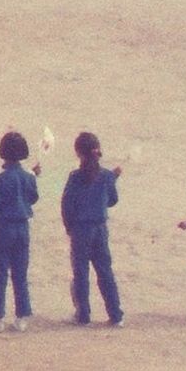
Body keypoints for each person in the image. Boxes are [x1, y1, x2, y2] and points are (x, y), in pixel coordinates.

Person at [59, 134, 122, 325]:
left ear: (78, 153)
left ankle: (83, 314)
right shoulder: (106, 176)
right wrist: (113, 179)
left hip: (81, 229)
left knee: (81, 272)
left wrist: (69, 227)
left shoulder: (75, 177)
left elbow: (67, 204)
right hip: (100, 228)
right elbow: (112, 200)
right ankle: (115, 314)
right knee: (105, 271)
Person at [0, 135, 40, 330]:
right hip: (22, 227)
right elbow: (33, 197)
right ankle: (22, 316)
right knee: (20, 273)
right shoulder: (28, 177)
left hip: (4, 227)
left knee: (0, 273)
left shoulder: (1, 178)